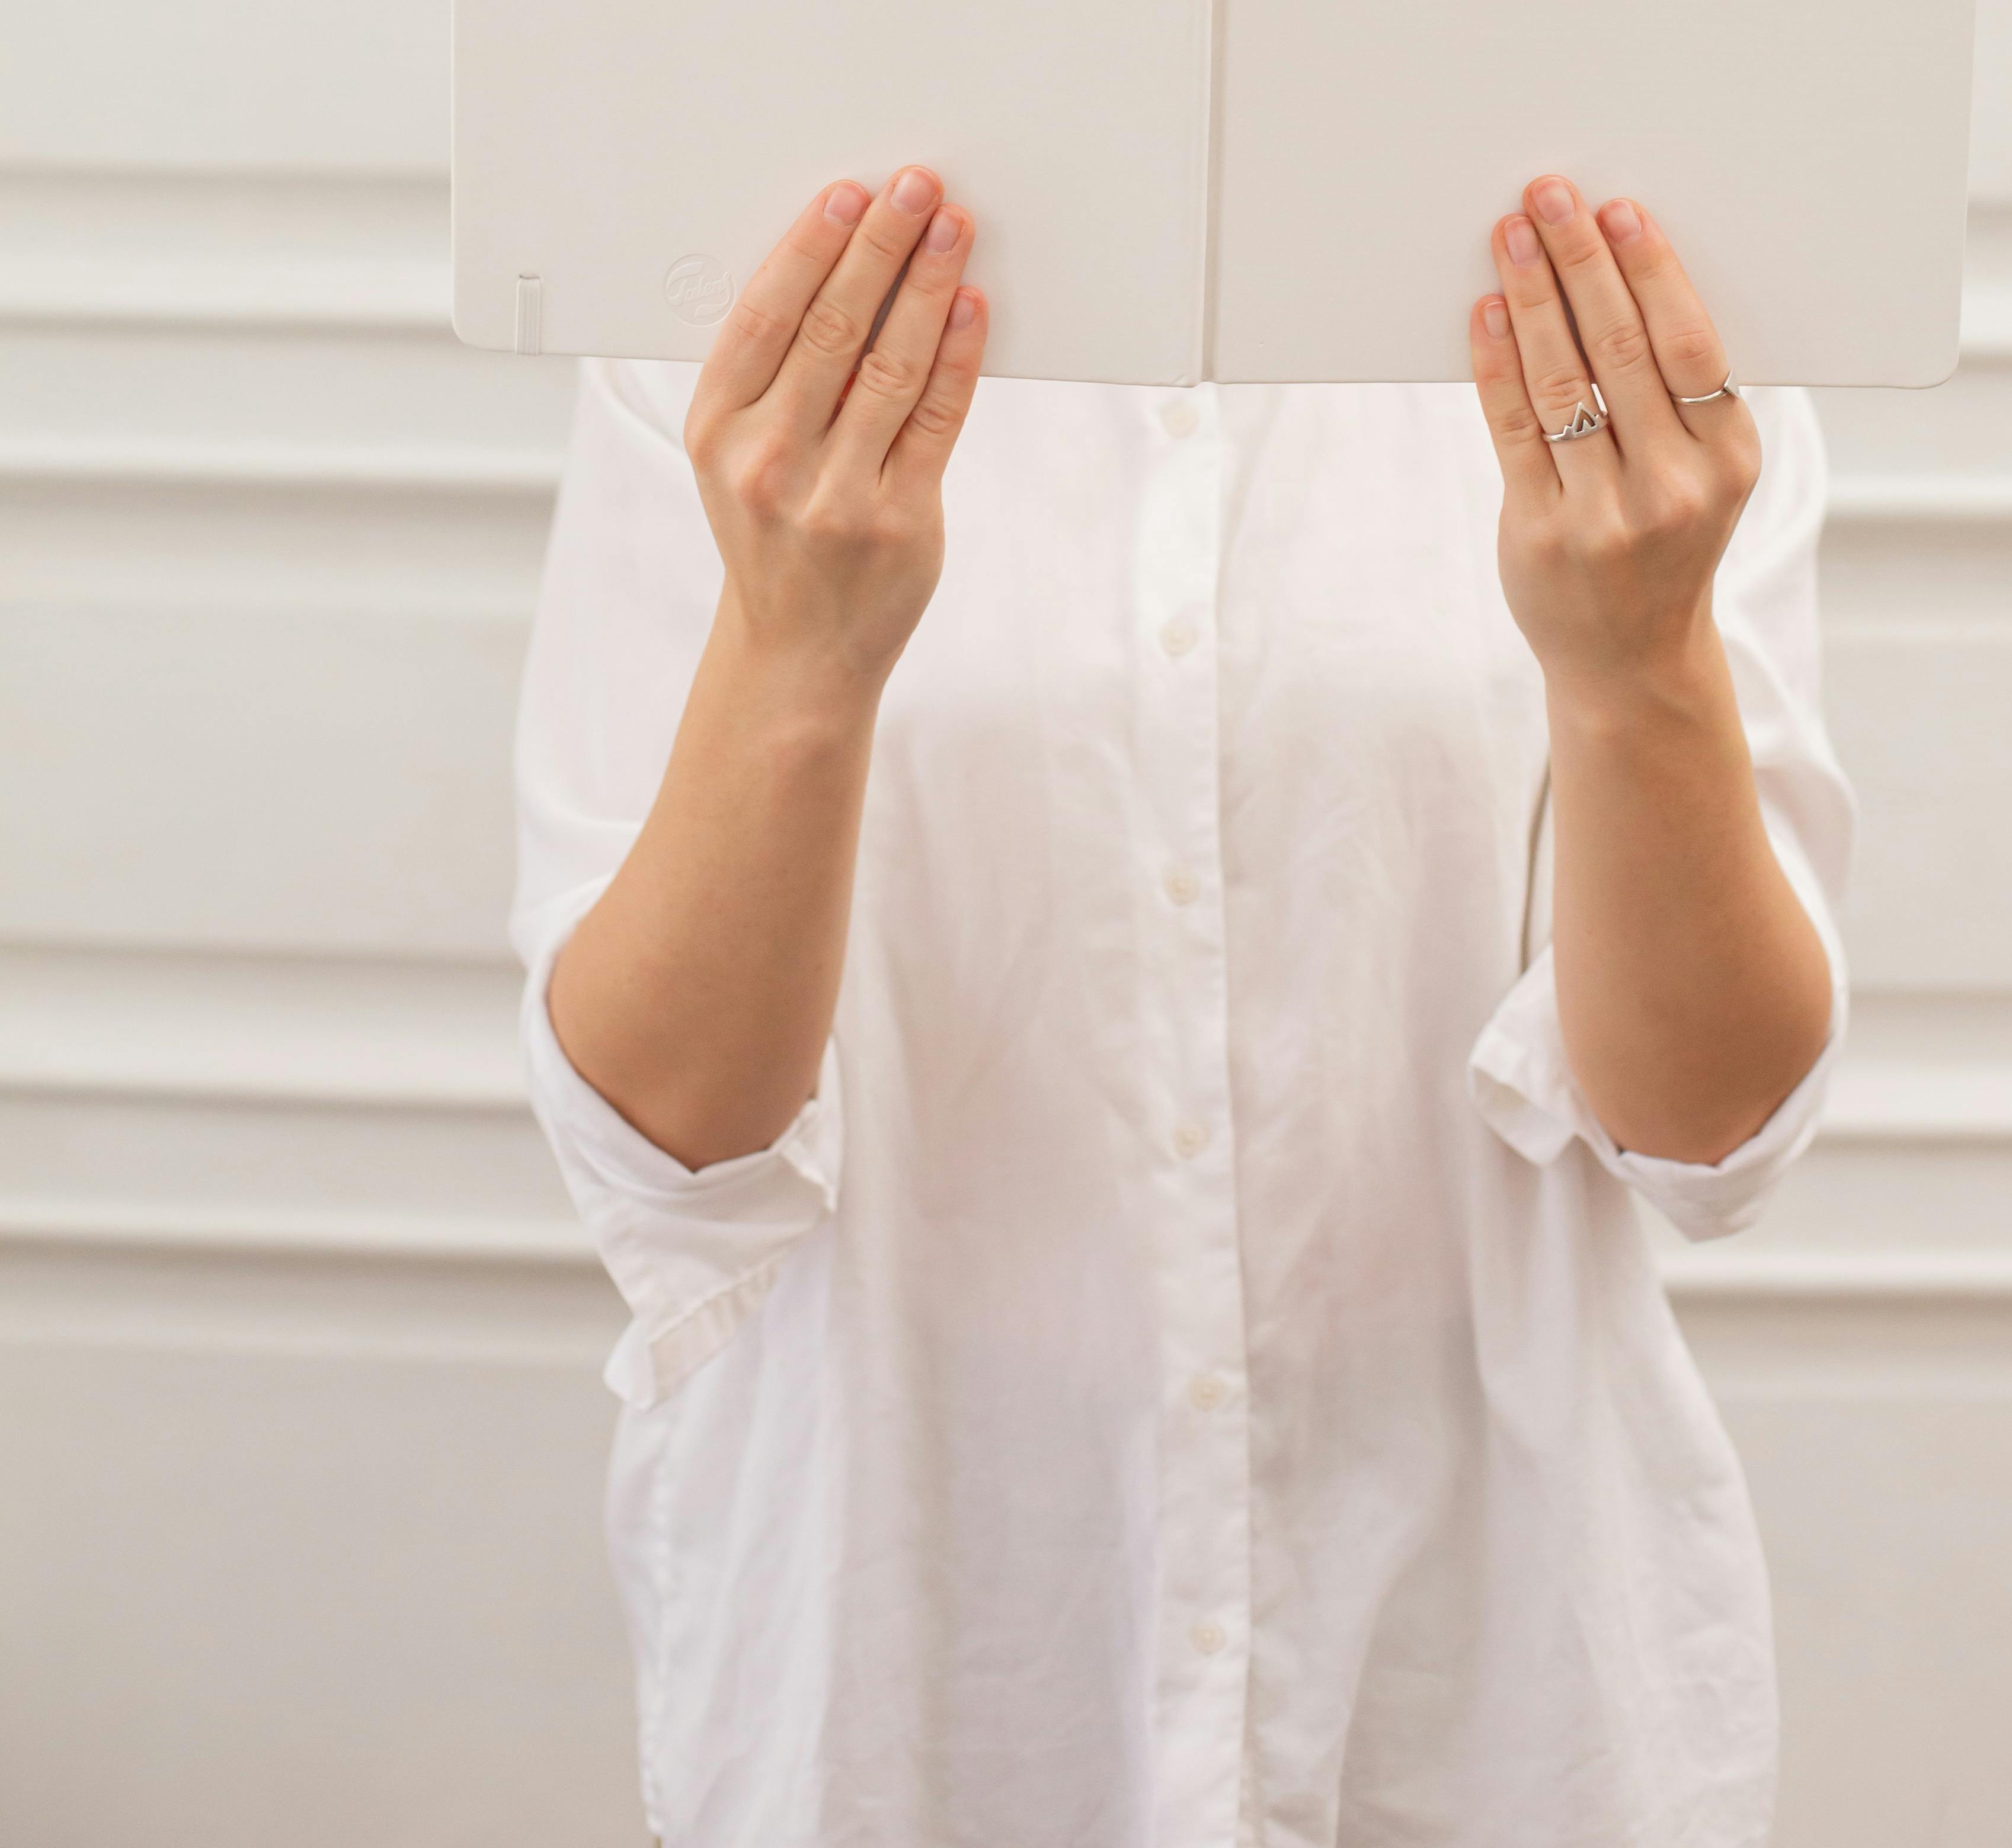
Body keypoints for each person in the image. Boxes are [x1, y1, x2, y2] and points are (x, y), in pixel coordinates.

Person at [514, 164, 1854, 1848]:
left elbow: (1713, 1134)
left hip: (1492, 1705)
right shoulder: (732, 316)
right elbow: (666, 1144)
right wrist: (798, 650)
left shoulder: (1634, 305)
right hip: (908, 1683)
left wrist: (1639, 660)